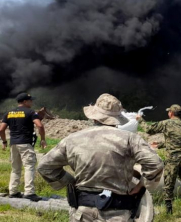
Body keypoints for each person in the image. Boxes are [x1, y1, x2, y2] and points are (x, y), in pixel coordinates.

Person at [37, 93, 164, 222]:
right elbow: (155, 164)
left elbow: (45, 166)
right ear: (117, 118)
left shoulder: (72, 139)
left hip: (82, 213)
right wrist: (142, 185)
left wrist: (71, 182)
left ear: (94, 117)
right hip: (117, 215)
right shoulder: (130, 139)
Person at [147, 104, 181, 219]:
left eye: (168, 111)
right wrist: (160, 145)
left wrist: (140, 121)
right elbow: (177, 142)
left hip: (172, 161)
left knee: (169, 184)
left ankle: (169, 212)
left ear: (171, 113)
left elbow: (149, 129)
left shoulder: (166, 123)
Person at [0, 93, 46, 202]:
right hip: (25, 143)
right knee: (29, 166)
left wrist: (4, 141)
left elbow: (1, 129)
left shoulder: (9, 113)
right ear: (25, 101)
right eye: (30, 100)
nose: (32, 102)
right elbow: (39, 125)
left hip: (13, 143)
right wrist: (43, 139)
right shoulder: (31, 112)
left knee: (15, 168)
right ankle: (29, 192)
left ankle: (13, 191)